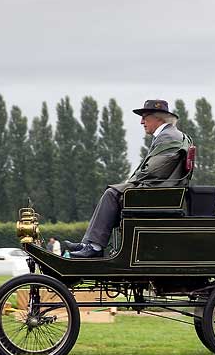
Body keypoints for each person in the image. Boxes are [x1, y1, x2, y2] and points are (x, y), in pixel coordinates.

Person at [63, 99, 192, 258]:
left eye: (145, 117)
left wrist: (130, 183)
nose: (141, 121)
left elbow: (154, 170)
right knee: (116, 191)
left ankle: (94, 247)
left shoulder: (168, 136)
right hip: (163, 191)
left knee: (112, 193)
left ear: (159, 118)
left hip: (157, 192)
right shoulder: (171, 135)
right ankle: (89, 243)